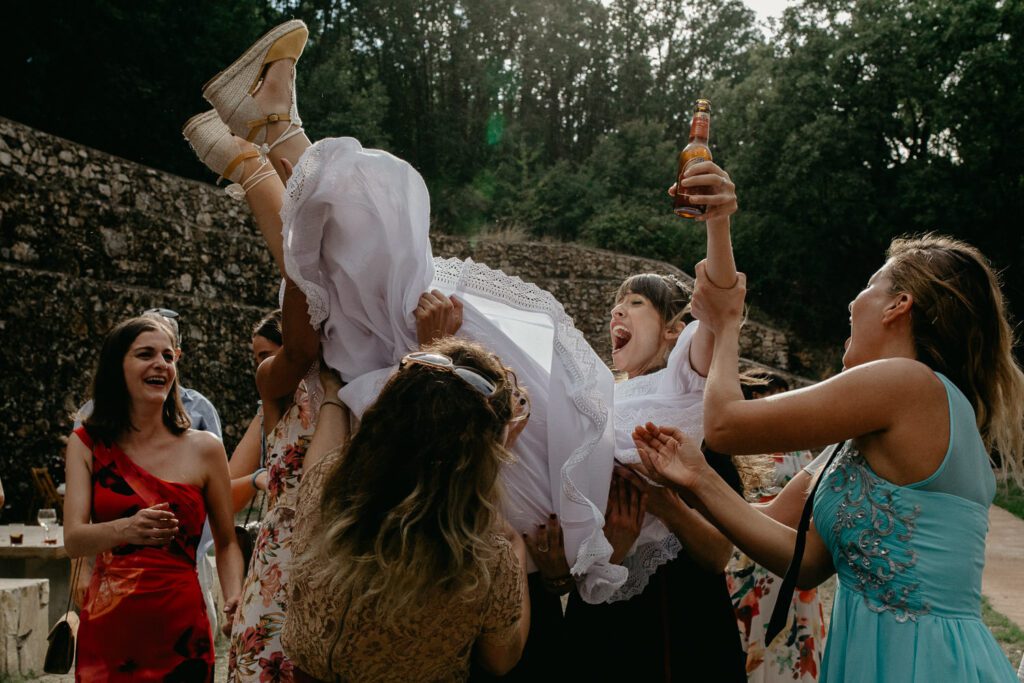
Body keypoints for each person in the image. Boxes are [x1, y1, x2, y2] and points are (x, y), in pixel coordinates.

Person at [184, 18, 739, 606]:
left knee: (387, 306)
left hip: (533, 483)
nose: (616, 315)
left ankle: (270, 138)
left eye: (635, 304)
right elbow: (720, 299)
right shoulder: (621, 393)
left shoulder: (695, 384)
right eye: (618, 303)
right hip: (540, 455)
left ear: (677, 329)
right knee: (371, 310)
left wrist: (628, 528)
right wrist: (719, 222)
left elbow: (721, 309)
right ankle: (264, 147)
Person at [633, 235, 1024, 682]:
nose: (853, 303)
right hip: (870, 657)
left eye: (869, 286)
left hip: (924, 661)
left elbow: (725, 425)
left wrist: (726, 326)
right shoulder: (866, 436)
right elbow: (803, 562)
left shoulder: (908, 383)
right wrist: (687, 485)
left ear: (898, 305)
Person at [282, 337, 531, 682]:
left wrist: (334, 395)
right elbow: (502, 658)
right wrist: (515, 543)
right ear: (480, 452)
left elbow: (322, 461)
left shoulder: (327, 488)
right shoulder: (484, 557)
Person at [183, 98, 322, 679]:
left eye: (263, 352)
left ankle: (257, 160)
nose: (258, 366)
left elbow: (309, 315)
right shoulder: (276, 386)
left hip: (329, 560)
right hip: (288, 568)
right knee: (317, 260)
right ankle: (265, 147)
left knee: (330, 268)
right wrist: (264, 477)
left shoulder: (347, 370)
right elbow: (224, 497)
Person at [63, 315, 243, 681]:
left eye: (168, 357)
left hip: (181, 625)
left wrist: (234, 599)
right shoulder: (86, 444)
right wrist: (127, 528)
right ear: (118, 367)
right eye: (145, 354)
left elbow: (226, 541)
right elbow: (73, 538)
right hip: (110, 624)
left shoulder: (206, 449)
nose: (160, 364)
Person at [726, 374, 825, 682]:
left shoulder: (797, 448)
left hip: (787, 540)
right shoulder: (739, 442)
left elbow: (809, 496)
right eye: (769, 394)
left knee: (790, 630)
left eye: (782, 394)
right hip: (748, 543)